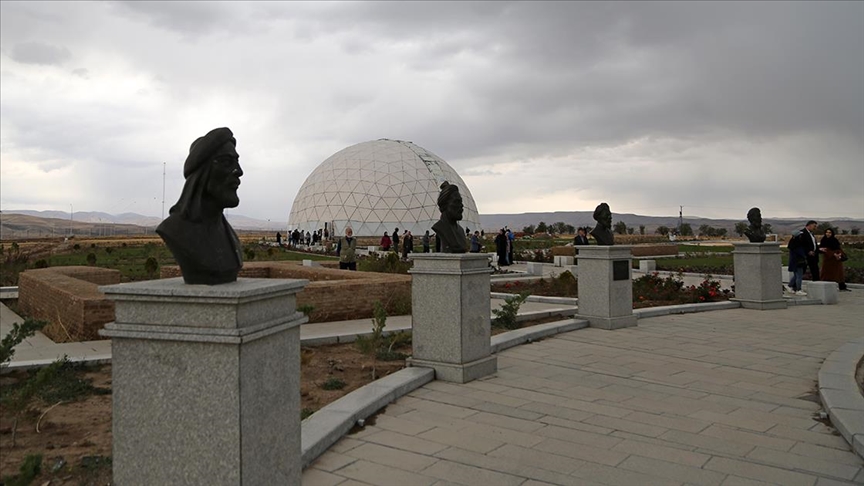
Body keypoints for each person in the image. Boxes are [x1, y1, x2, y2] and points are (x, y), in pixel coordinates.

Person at [156, 127, 243, 285]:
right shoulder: (174, 230)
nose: (239, 171)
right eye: (226, 162)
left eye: (237, 162)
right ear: (202, 173)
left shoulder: (230, 235)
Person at [432, 181, 469, 253]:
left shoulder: (460, 230)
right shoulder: (440, 227)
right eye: (456, 202)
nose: (461, 206)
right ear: (444, 205)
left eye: (461, 202)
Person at [786, 230, 807, 295]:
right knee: (799, 276)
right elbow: (801, 253)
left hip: (794, 262)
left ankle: (790, 285)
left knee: (796, 275)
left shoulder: (792, 243)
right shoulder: (797, 245)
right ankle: (798, 289)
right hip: (798, 262)